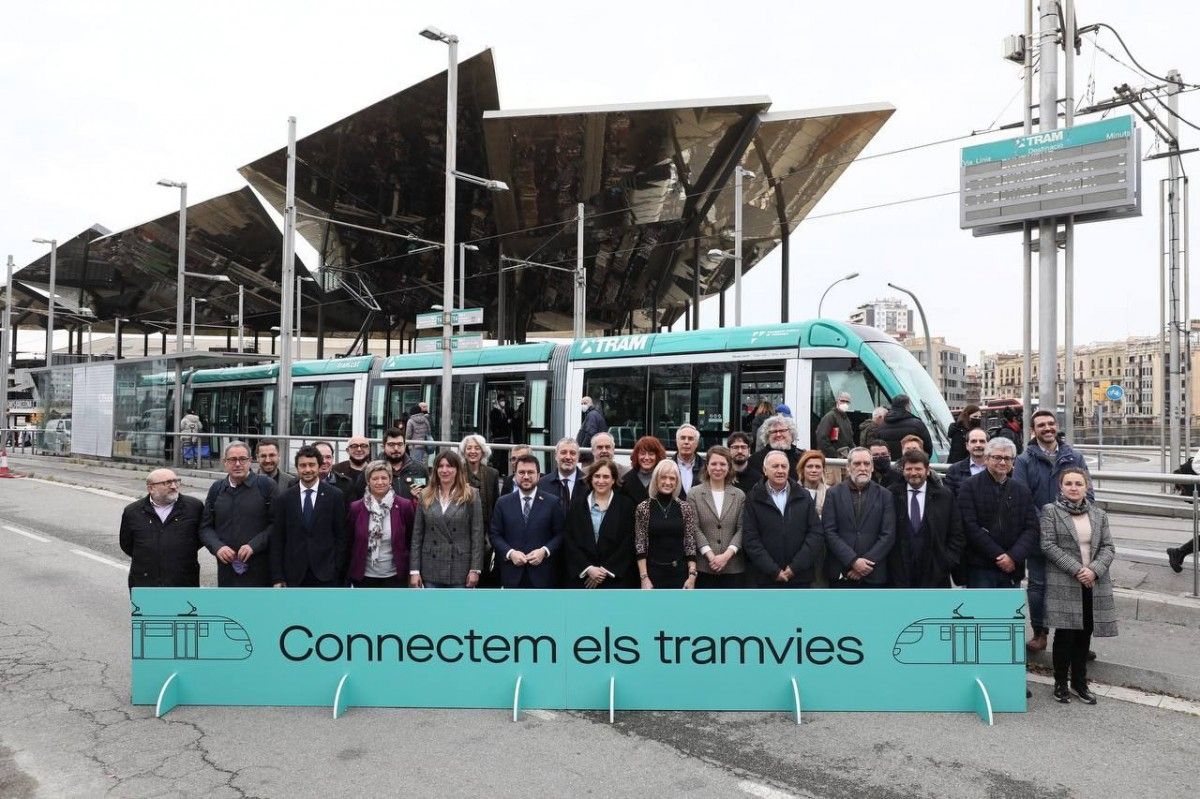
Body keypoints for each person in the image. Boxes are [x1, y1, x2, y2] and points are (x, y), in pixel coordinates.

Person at [1014, 409, 1091, 654]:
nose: (1047, 428)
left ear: (1056, 426)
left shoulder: (1074, 457)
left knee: (1072, 586)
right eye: (1041, 425)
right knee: (1038, 585)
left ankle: (1072, 639)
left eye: (1050, 424)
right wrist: (1048, 524)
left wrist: (1071, 522)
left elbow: (1087, 493)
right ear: (1033, 430)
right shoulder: (1024, 460)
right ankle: (1040, 632)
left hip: (1072, 534)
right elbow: (1022, 499)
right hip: (1038, 534)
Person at [1041, 467, 1118, 704]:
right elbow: (1047, 545)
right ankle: (1060, 683)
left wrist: (1093, 570)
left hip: (1093, 582)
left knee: (1085, 635)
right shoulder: (1050, 511)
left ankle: (1079, 682)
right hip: (1065, 582)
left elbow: (1108, 547)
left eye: (1078, 483)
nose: (1073, 488)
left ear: (1087, 487)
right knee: (1065, 636)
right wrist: (1078, 570)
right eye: (1068, 483)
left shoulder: (1099, 515)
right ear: (1061, 487)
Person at [957, 438, 1040, 589]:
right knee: (982, 612)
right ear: (986, 459)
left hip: (1013, 567)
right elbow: (969, 526)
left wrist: (1014, 556)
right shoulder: (969, 487)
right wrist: (999, 556)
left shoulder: (1021, 490)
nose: (1003, 462)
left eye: (1007, 458)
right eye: (997, 457)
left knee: (1011, 612)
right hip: (980, 567)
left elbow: (1032, 528)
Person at [199, 441, 277, 587]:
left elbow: (277, 525)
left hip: (260, 569)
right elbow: (205, 527)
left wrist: (254, 545)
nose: (238, 464)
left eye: (242, 459)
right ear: (225, 463)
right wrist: (217, 547)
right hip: (226, 570)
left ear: (250, 461)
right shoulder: (217, 489)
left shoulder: (266, 486)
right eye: (232, 459)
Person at [742, 450, 823, 588]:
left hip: (800, 577)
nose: (780, 470)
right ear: (764, 470)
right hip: (765, 578)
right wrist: (774, 571)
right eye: (775, 466)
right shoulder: (753, 498)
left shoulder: (804, 496)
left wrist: (794, 568)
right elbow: (750, 539)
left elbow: (815, 533)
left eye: (784, 466)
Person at [270, 445, 348, 588]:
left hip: (327, 575)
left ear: (319, 466)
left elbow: (341, 537)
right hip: (294, 575)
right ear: (297, 468)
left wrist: (337, 570)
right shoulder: (284, 498)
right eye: (303, 465)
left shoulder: (335, 495)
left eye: (312, 465)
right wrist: (278, 576)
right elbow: (278, 539)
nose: (307, 470)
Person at [888, 450, 964, 588]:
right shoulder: (891, 494)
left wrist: (946, 561)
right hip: (899, 572)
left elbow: (956, 533)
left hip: (936, 572)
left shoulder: (945, 496)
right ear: (903, 470)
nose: (913, 473)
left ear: (927, 470)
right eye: (909, 469)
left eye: (918, 468)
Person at [409, 451, 485, 589]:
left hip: (460, 568)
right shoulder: (425, 495)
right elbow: (417, 536)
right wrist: (414, 570)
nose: (445, 470)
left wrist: (475, 569)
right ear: (435, 469)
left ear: (458, 470)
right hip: (430, 567)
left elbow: (477, 534)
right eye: (441, 466)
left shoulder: (471, 495)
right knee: (432, 610)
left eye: (449, 466)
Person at [119, 468, 204, 590]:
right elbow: (126, 544)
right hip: (145, 581)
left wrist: (177, 552)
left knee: (184, 609)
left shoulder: (194, 507)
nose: (174, 486)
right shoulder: (133, 511)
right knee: (148, 609)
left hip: (183, 580)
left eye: (176, 481)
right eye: (167, 483)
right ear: (151, 488)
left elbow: (201, 538)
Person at [822, 447, 896, 587]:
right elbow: (829, 532)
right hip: (841, 572)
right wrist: (853, 561)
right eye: (857, 464)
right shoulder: (833, 494)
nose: (862, 468)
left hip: (873, 573)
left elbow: (888, 534)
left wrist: (865, 563)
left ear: (872, 467)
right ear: (848, 467)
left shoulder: (885, 495)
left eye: (867, 464)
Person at [490, 453, 565, 588]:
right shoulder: (503, 502)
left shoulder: (552, 502)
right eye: (521, 472)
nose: (526, 476)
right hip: (512, 575)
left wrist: (544, 551)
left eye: (530, 472)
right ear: (515, 475)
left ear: (538, 475)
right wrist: (510, 553)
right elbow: (495, 535)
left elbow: (560, 534)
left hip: (543, 576)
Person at [562, 459, 636, 588]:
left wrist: (604, 571)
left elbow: (628, 542)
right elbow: (569, 540)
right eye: (597, 476)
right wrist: (588, 568)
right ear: (590, 478)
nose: (601, 481)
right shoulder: (577, 505)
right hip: (583, 579)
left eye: (606, 476)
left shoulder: (626, 505)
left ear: (613, 480)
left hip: (615, 580)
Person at [347, 460, 415, 588]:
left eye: (384, 478)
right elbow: (350, 541)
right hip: (364, 577)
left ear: (390, 480)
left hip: (395, 576)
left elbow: (411, 540)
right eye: (375, 478)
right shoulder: (356, 507)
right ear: (368, 481)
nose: (380, 482)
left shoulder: (404, 506)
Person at [634, 460, 699, 589]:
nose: (668, 482)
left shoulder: (685, 507)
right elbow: (640, 545)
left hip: (680, 574)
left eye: (672, 478)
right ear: (656, 479)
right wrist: (644, 577)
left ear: (677, 482)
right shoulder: (643, 508)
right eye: (663, 477)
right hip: (652, 575)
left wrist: (692, 576)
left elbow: (690, 543)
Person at [688, 445, 746, 589]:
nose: (718, 468)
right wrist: (711, 556)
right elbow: (694, 527)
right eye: (713, 464)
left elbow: (742, 528)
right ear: (707, 466)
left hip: (733, 567)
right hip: (704, 566)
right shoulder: (694, 493)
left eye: (722, 464)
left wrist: (726, 556)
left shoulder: (739, 495)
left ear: (729, 467)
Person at [460, 434, 500, 586]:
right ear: (464, 452)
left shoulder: (492, 474)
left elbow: (496, 503)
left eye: (477, 448)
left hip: (486, 534)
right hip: (463, 530)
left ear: (483, 452)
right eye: (469, 448)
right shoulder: (457, 472)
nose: (473, 451)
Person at [743, 414, 803, 488]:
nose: (778, 434)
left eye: (782, 430)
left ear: (791, 433)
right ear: (767, 436)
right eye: (774, 431)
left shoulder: (802, 458)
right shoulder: (755, 460)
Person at [875, 394, 932, 459]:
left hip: (890, 466)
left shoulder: (881, 426)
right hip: (912, 465)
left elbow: (877, 447)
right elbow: (928, 449)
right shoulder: (918, 425)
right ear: (907, 406)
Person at [538, 437, 585, 512]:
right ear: (556, 456)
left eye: (572, 453)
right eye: (563, 452)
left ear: (578, 456)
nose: (568, 457)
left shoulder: (588, 483)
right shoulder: (542, 484)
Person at [382, 427, 428, 500]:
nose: (396, 448)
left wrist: (419, 497)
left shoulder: (419, 469)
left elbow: (427, 496)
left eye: (400, 444)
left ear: (405, 446)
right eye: (391, 445)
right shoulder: (374, 470)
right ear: (384, 446)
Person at [620, 435, 667, 504]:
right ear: (637, 455)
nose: (646, 458)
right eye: (642, 454)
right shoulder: (625, 481)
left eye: (651, 454)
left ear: (658, 456)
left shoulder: (664, 479)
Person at [945, 427, 989, 497]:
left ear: (988, 445)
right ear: (967, 446)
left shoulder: (996, 468)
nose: (978, 445)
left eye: (982, 441)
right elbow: (949, 500)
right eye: (973, 441)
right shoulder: (954, 470)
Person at [815, 391, 855, 459]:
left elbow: (850, 441)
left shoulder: (846, 420)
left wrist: (854, 452)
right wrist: (835, 454)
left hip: (843, 458)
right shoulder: (830, 417)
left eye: (847, 402)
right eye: (842, 401)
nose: (844, 403)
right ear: (837, 401)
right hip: (832, 459)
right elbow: (822, 438)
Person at [673, 424, 705, 495]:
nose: (686, 442)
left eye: (690, 439)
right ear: (677, 442)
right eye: (683, 438)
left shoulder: (706, 467)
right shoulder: (667, 466)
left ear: (696, 443)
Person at [488, 393, 515, 471]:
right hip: (498, 437)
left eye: (504, 400)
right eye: (501, 400)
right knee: (497, 456)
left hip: (506, 437)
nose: (503, 402)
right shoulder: (494, 411)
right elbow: (496, 424)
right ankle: (496, 470)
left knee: (504, 456)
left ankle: (503, 471)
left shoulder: (506, 410)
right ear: (498, 401)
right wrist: (506, 422)